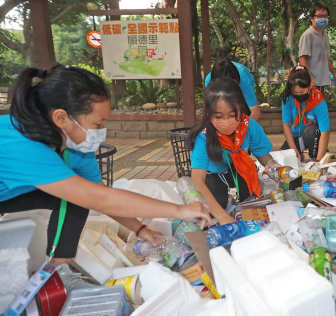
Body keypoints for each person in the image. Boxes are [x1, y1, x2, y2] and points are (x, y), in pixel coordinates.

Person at [0, 65, 211, 261]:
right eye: (97, 123)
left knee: (79, 197)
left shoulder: (76, 146)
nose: (101, 131)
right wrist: (179, 210)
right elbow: (100, 199)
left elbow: (99, 194)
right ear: (61, 118)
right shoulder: (21, 142)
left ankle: (59, 266)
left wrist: (141, 230)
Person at [188, 78, 279, 225]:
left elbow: (263, 154)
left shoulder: (249, 126)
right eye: (218, 117)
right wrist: (221, 216)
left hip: (238, 170)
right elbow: (198, 179)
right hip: (214, 175)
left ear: (241, 109)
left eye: (232, 115)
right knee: (217, 202)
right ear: (208, 114)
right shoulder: (203, 136)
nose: (226, 122)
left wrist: (271, 163)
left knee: (249, 197)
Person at [280, 66, 331, 161]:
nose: (299, 95)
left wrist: (318, 162)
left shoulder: (318, 99)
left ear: (309, 87)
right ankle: (300, 153)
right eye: (296, 92)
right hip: (295, 136)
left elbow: (325, 132)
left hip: (313, 136)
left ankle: (315, 155)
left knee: (312, 131)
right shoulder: (287, 98)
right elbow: (286, 125)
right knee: (284, 159)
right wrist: (293, 150)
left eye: (302, 92)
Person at [298, 2, 336, 92]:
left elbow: (327, 58)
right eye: (320, 16)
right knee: (310, 106)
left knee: (319, 106)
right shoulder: (307, 35)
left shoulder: (324, 35)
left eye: (325, 16)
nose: (323, 19)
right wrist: (310, 80)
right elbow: (302, 60)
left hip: (321, 83)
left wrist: (334, 74)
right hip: (310, 84)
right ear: (312, 18)